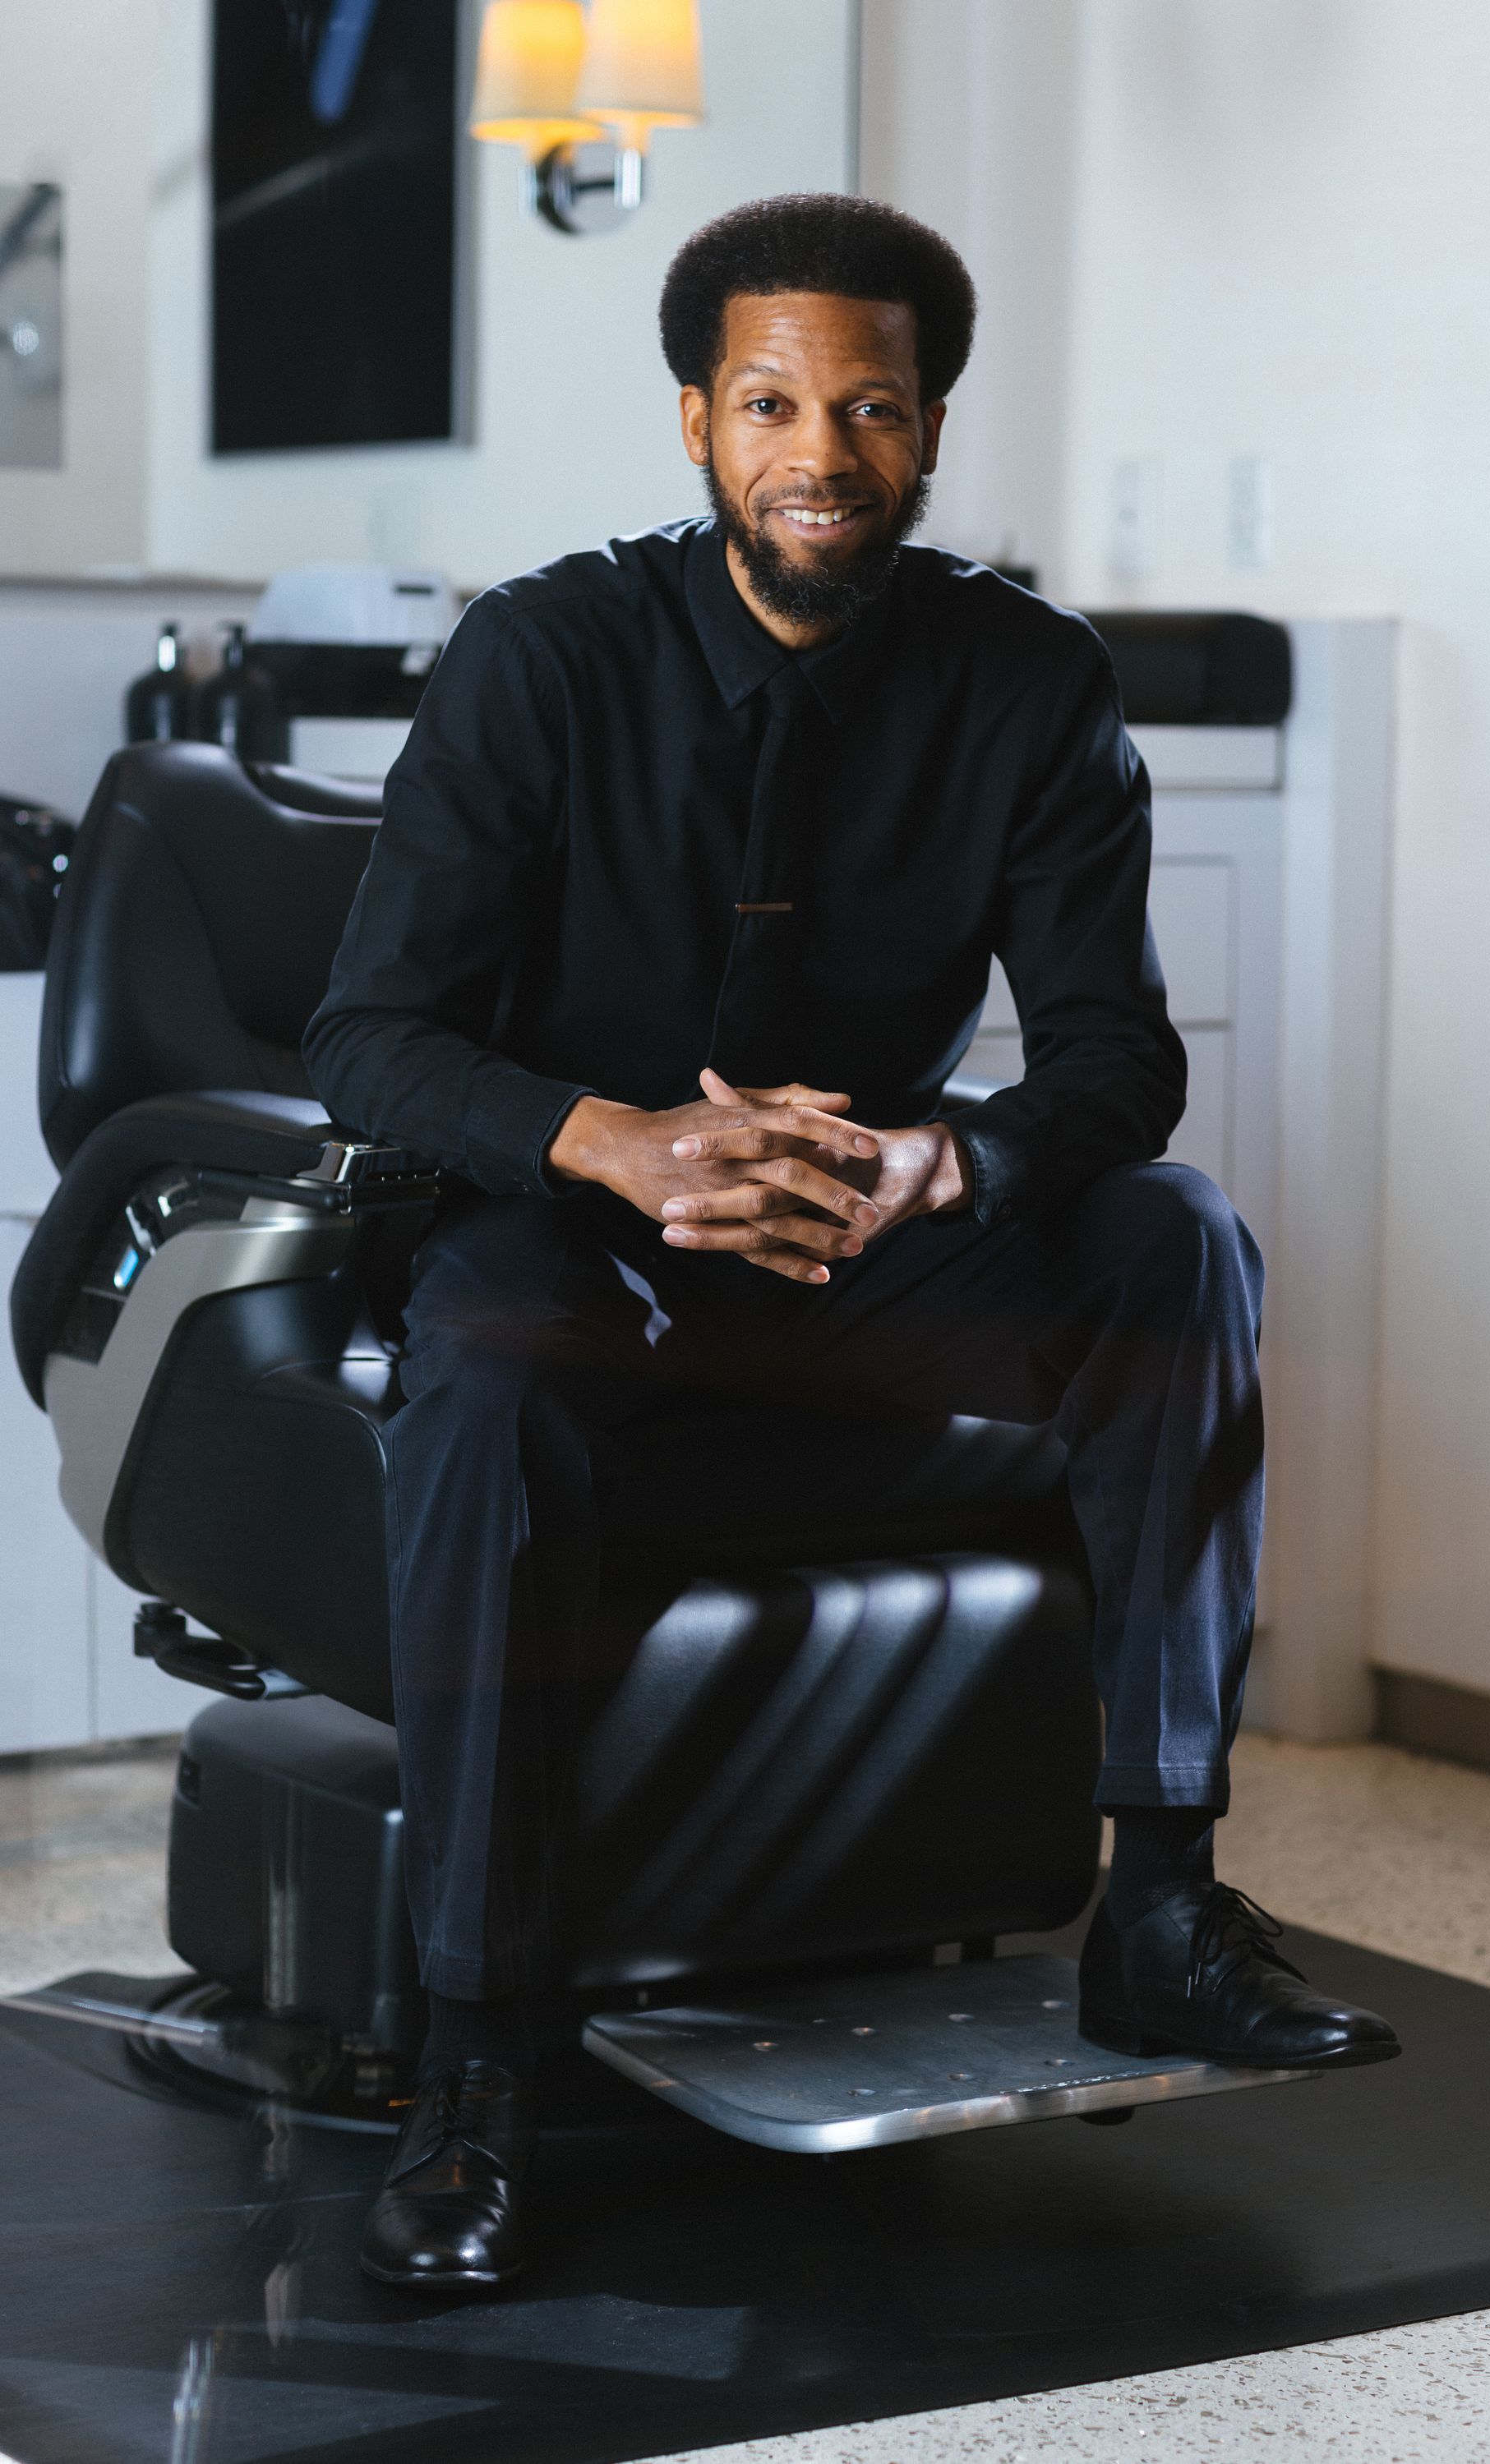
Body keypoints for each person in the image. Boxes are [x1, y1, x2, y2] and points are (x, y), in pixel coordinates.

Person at [304, 192, 1399, 2292]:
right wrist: (614, 1145)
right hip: (580, 1235)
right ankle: (476, 2052)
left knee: (1172, 1242)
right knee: (498, 1369)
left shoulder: (1029, 683)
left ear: (932, 429)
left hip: (867, 1242)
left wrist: (950, 1167)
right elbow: (368, 1035)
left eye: (872, 407)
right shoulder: (544, 658)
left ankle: (1158, 1909)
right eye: (775, 402)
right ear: (697, 420)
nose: (824, 449)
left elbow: (1112, 1061)